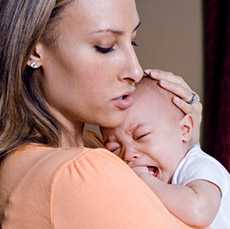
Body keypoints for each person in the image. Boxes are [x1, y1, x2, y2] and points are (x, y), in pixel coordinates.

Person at [0, 0, 203, 228]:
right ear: (34, 51)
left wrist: (180, 142)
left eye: (133, 41)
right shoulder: (81, 172)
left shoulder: (82, 149)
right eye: (105, 46)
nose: (135, 71)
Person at [102, 77, 230, 228]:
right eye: (114, 148)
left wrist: (145, 180)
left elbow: (199, 212)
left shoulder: (200, 166)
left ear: (185, 130)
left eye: (141, 135)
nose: (128, 154)